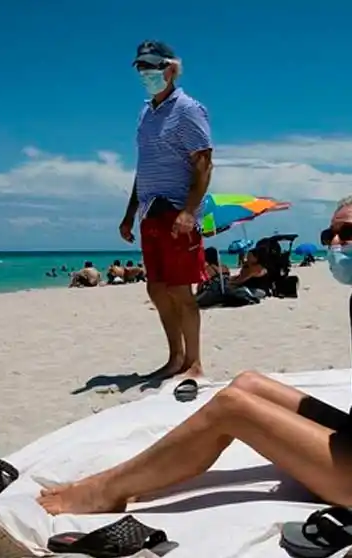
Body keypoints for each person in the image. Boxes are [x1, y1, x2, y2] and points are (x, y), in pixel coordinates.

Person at [38, 194, 352, 521]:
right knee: (247, 383)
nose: (335, 243)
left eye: (350, 233)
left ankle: (106, 490)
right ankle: (117, 481)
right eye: (331, 234)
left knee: (231, 408)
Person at [116, 40, 213, 398]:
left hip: (177, 213)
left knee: (179, 290)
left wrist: (189, 211)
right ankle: (175, 359)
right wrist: (129, 214)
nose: (146, 74)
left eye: (152, 67)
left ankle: (195, 362)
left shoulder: (188, 109)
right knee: (156, 289)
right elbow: (144, 170)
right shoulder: (146, 113)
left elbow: (204, 163)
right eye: (141, 68)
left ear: (171, 68)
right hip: (149, 213)